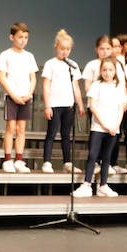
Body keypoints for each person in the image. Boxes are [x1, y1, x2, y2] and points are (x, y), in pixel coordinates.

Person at [74, 57, 127, 197]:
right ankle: (86, 184)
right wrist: (104, 124)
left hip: (114, 128)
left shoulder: (119, 87)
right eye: (104, 70)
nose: (107, 73)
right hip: (98, 128)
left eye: (110, 70)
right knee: (93, 155)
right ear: (100, 71)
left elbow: (121, 108)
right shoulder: (96, 85)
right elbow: (92, 106)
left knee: (107, 157)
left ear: (115, 71)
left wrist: (115, 125)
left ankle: (103, 185)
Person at [0, 22, 37, 172]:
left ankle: (19, 160)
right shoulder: (5, 55)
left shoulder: (29, 56)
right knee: (11, 127)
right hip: (12, 97)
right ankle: (8, 160)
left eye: (26, 37)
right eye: (20, 37)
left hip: (25, 97)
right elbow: (2, 77)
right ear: (12, 37)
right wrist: (13, 95)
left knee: (21, 128)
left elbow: (33, 78)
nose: (23, 40)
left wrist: (29, 94)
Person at [41, 30, 83, 172]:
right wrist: (47, 106)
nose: (65, 52)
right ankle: (47, 161)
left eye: (68, 49)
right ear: (56, 48)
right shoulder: (50, 64)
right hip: (54, 105)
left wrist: (81, 105)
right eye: (62, 49)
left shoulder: (73, 65)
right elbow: (46, 85)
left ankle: (67, 162)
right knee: (51, 133)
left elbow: (76, 86)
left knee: (67, 135)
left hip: (69, 105)